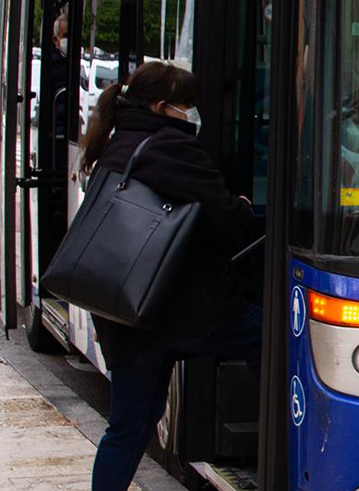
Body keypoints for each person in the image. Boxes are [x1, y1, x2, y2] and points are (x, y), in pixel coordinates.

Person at [78, 61, 260, 491]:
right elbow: (226, 219)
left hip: (128, 314)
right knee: (269, 334)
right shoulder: (170, 148)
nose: (192, 114)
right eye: (187, 105)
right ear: (162, 107)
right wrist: (242, 206)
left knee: (130, 426)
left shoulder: (121, 142)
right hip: (176, 311)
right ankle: (287, 430)